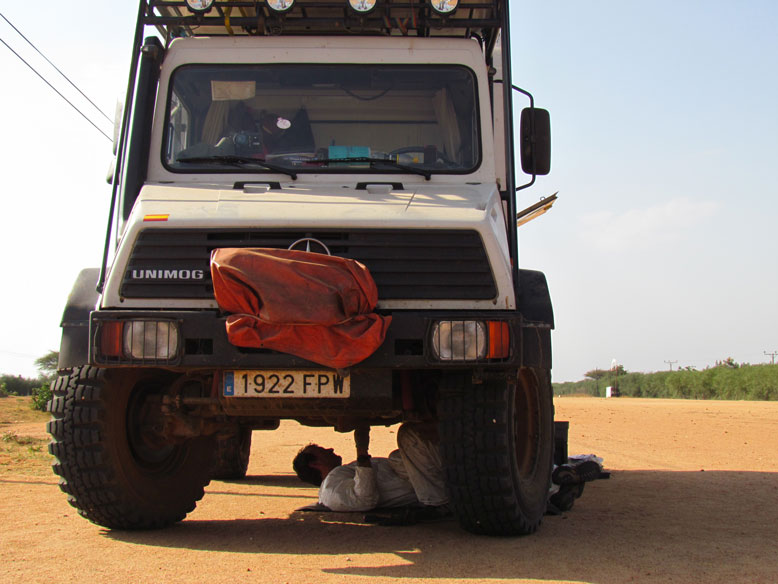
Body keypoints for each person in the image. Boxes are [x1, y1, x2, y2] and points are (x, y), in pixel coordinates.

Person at [293, 422, 450, 520]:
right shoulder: (329, 489)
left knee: (408, 442)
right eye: (321, 450)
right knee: (408, 434)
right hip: (426, 484)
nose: (330, 449)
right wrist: (362, 450)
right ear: (315, 463)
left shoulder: (338, 478)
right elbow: (364, 499)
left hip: (423, 476)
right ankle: (438, 501)